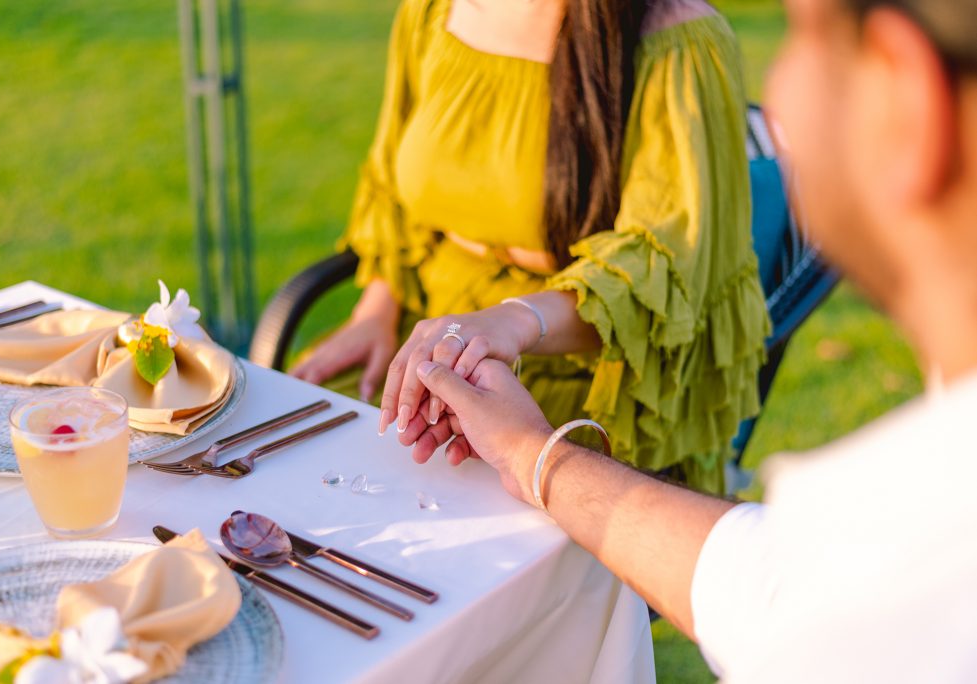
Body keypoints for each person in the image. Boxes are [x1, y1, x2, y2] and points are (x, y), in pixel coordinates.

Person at [399, 0, 977, 680]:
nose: (763, 117)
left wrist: (525, 396)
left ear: (904, 96)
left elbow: (779, 596)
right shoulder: (865, 555)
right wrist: (528, 450)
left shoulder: (873, 598)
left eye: (799, 33)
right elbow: (761, 580)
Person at [292, 0, 771, 494]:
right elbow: (395, 178)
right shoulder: (433, 10)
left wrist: (514, 320)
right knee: (287, 477)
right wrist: (375, 311)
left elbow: (662, 270)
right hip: (428, 336)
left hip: (590, 375)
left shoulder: (679, 40)